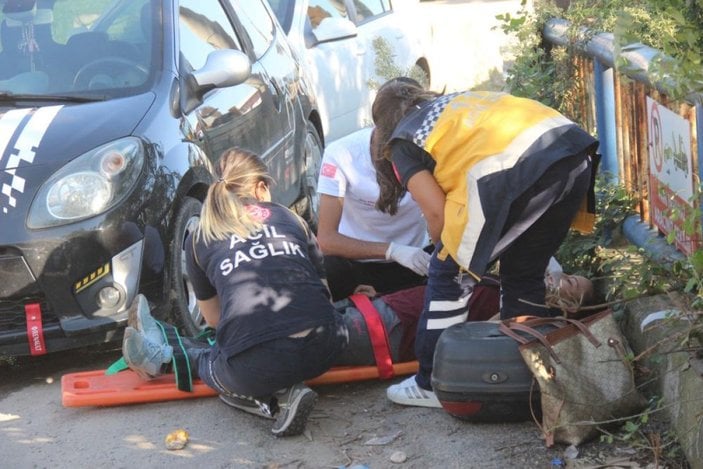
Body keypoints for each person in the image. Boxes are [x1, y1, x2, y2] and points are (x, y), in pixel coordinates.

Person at [369, 79, 600, 407]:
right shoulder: (455, 103)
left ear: (383, 124)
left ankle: (431, 383)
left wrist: (443, 255)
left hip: (521, 171)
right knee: (523, 274)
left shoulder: (403, 142)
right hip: (573, 152)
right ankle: (528, 374)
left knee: (448, 273)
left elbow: (436, 213)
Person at [121, 148, 349, 437]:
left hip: (257, 367)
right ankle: (164, 341)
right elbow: (324, 296)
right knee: (257, 341)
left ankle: (276, 398)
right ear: (260, 187)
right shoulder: (292, 219)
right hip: (326, 348)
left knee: (215, 357)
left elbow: (215, 320)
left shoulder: (199, 237)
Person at [316, 90, 431, 302]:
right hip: (357, 263)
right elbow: (326, 239)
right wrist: (392, 250)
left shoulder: (429, 148)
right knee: (326, 270)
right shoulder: (341, 154)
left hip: (415, 260)